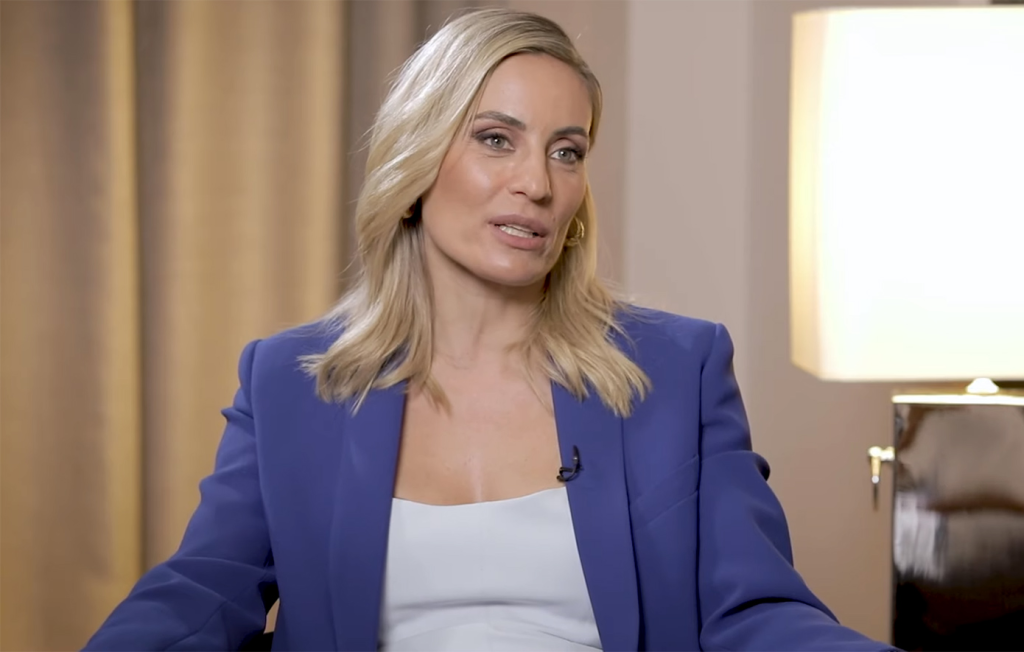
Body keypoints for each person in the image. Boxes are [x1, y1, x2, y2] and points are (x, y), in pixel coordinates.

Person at [85, 8, 897, 652]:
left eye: (567, 151)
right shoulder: (289, 382)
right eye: (496, 140)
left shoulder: (677, 369)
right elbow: (202, 591)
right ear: (416, 163)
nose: (537, 183)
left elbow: (756, 610)